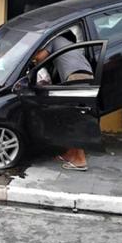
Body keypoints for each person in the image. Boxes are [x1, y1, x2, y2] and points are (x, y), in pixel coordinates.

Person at [33, 33, 94, 171]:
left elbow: (39, 57)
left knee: (74, 120)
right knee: (69, 118)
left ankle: (80, 161)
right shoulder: (70, 47)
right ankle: (70, 154)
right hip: (86, 77)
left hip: (76, 78)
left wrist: (28, 53)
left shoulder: (55, 40)